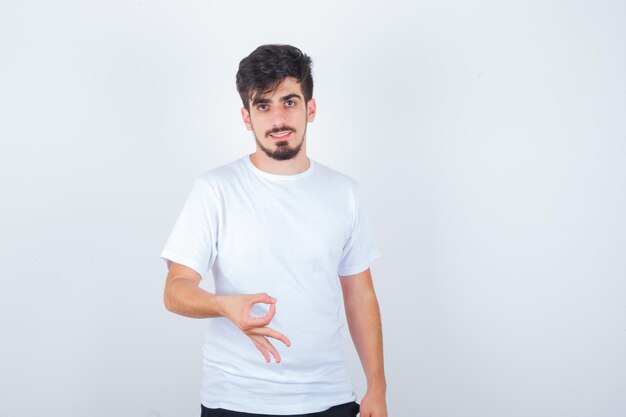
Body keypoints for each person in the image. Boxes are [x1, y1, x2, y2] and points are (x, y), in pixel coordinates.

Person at [160, 44, 387, 417]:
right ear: (246, 117)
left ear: (310, 109)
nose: (278, 118)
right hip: (235, 399)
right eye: (263, 105)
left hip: (327, 397)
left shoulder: (344, 193)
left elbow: (360, 296)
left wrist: (376, 388)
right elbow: (175, 290)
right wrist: (224, 305)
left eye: (289, 102)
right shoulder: (215, 189)